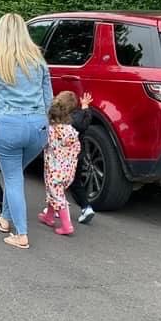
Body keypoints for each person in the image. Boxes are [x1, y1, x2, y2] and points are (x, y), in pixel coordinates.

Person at [0, 13, 52, 250]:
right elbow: (48, 99)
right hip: (38, 127)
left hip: (8, 125)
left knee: (12, 177)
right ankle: (5, 219)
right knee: (16, 173)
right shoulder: (38, 59)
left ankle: (21, 234)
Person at [38, 91, 82, 235]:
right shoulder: (71, 131)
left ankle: (66, 225)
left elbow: (44, 145)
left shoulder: (51, 131)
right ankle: (49, 216)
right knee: (54, 192)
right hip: (68, 170)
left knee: (57, 195)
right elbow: (77, 149)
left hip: (54, 170)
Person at [69, 92, 95, 225]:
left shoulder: (64, 121)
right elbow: (87, 117)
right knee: (76, 184)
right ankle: (86, 207)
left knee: (57, 184)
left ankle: (56, 208)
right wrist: (85, 106)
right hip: (78, 156)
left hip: (64, 159)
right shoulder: (81, 120)